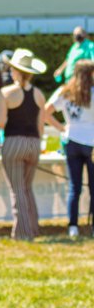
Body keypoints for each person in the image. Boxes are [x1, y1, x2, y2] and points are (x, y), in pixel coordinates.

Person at [0, 49, 50, 241]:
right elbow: (40, 125)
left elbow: (0, 122)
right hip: (34, 143)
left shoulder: (6, 93)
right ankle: (33, 227)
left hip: (13, 142)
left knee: (17, 189)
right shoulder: (39, 94)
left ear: (15, 71)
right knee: (27, 187)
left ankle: (23, 232)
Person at [46, 59, 94, 238]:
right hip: (91, 143)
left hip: (71, 140)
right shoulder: (92, 93)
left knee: (75, 187)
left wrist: (62, 128)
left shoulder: (64, 92)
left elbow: (45, 112)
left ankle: (73, 225)